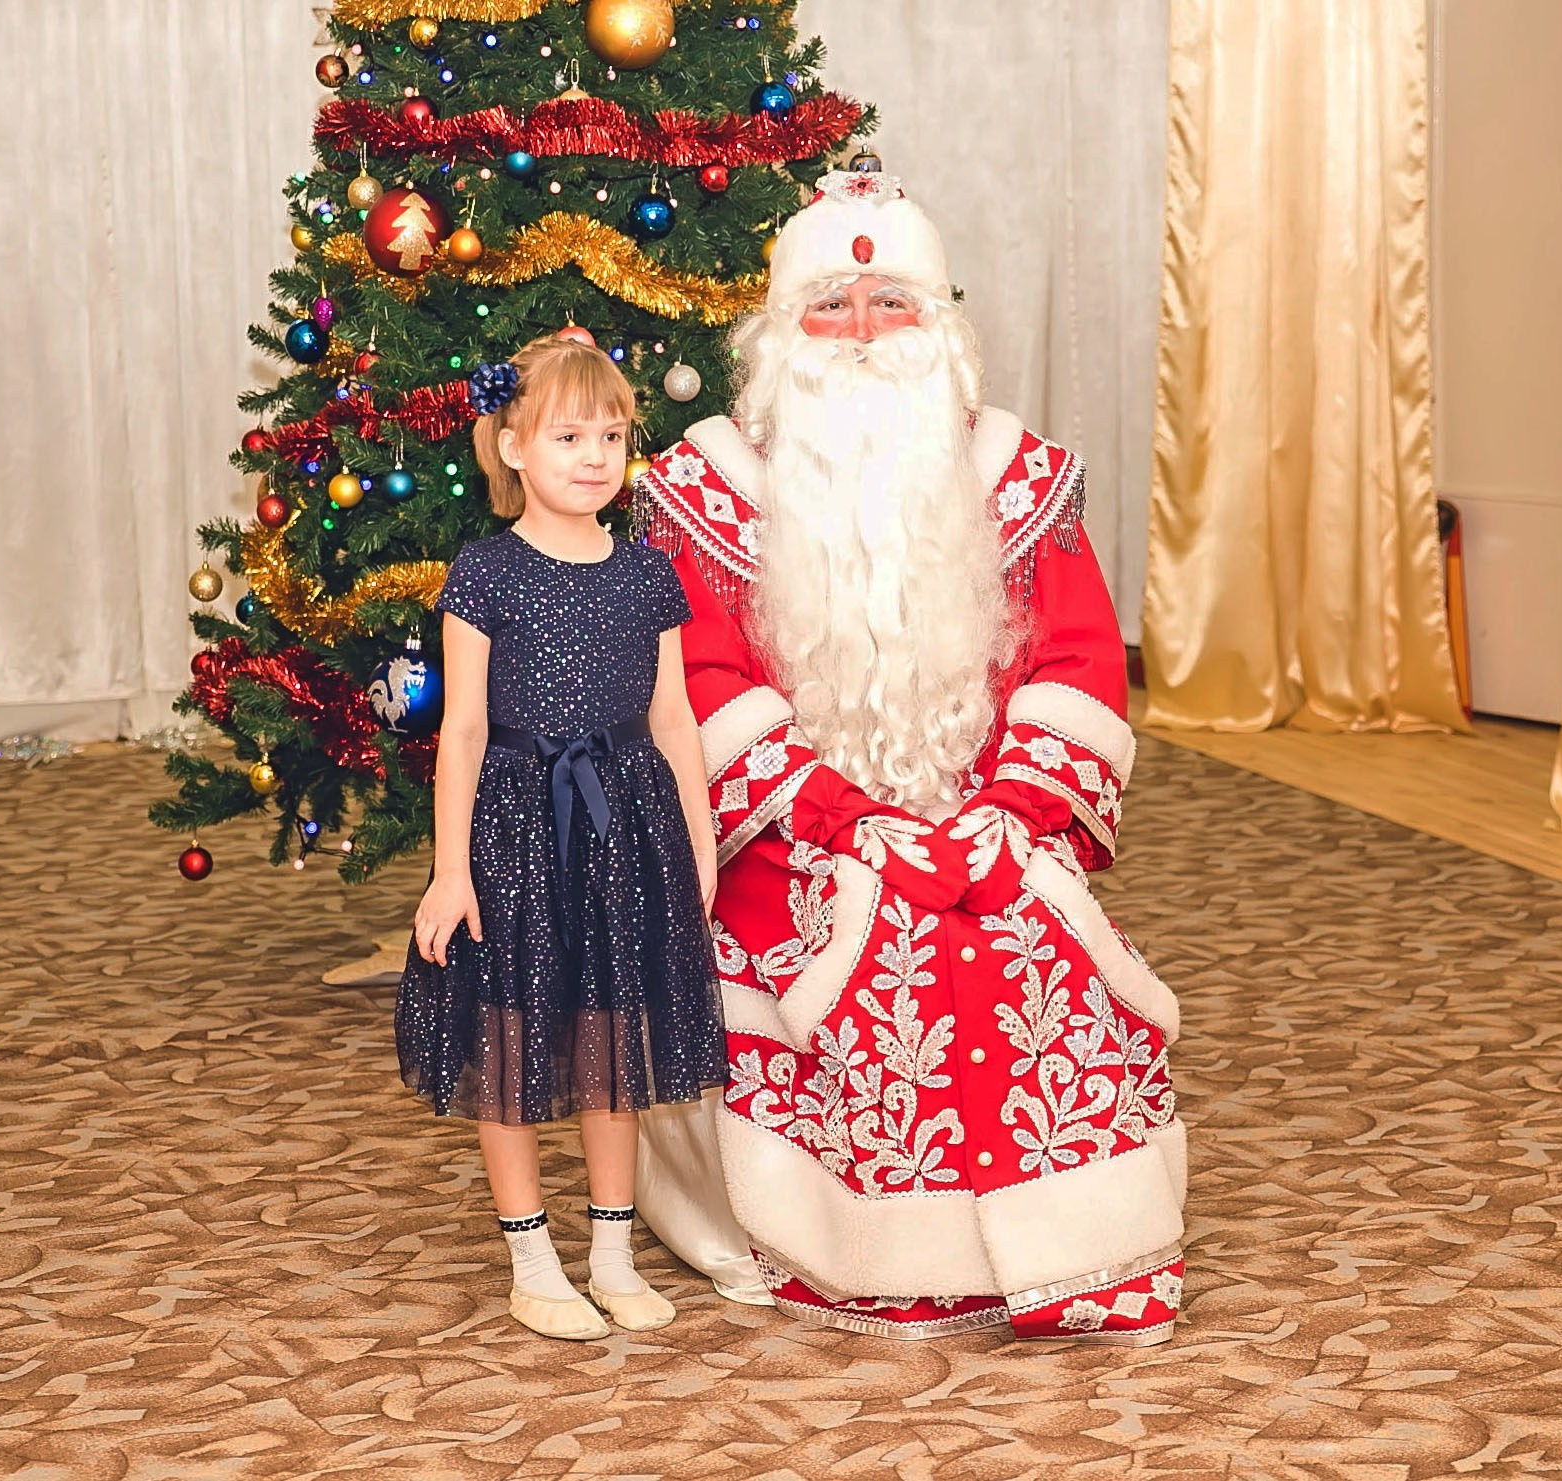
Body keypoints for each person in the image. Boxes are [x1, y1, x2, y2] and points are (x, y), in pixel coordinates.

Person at [632, 171, 1188, 1343]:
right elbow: (706, 684)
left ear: (940, 325)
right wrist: (842, 819)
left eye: (892, 304)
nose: (864, 335)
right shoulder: (708, 490)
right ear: (781, 332)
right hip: (787, 841)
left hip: (988, 822)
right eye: (831, 306)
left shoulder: (1017, 480)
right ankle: (868, 1248)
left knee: (1031, 944)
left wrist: (1012, 813)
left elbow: (1077, 666)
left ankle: (1064, 1250)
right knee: (870, 969)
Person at [396, 334, 724, 1341]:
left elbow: (672, 722)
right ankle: (532, 1258)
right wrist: (451, 871)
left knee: (612, 1040)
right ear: (512, 444)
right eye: (569, 433)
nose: (594, 454)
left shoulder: (647, 573)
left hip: (627, 826)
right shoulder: (486, 572)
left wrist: (698, 855)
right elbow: (461, 727)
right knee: (511, 1037)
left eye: (612, 434)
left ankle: (613, 1251)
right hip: (514, 828)